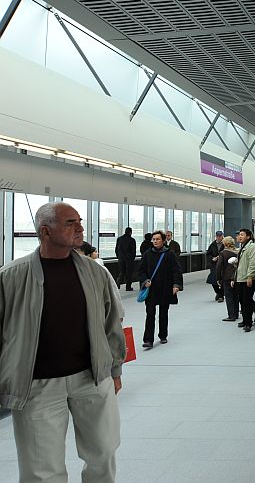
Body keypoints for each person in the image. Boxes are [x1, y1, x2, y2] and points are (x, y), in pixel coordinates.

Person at [0, 202, 125, 482]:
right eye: (70, 223)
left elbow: (111, 323)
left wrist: (115, 369)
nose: (80, 228)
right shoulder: (11, 277)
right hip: (37, 385)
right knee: (41, 469)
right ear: (45, 231)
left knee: (104, 453)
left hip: (92, 378)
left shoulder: (94, 272)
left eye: (79, 221)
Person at [138, 230, 183, 347]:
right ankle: (148, 340)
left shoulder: (169, 254)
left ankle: (163, 335)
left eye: (157, 239)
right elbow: (141, 271)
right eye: (153, 239)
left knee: (163, 313)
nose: (155, 241)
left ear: (163, 240)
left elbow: (176, 270)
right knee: (150, 314)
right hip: (151, 289)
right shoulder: (147, 254)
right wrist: (145, 281)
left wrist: (176, 285)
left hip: (165, 288)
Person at [235, 228, 255, 332]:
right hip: (241, 277)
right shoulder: (243, 247)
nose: (239, 236)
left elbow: (253, 263)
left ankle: (248, 323)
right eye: (239, 235)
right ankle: (246, 319)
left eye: (242, 235)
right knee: (242, 299)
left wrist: (250, 276)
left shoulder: (252, 247)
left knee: (246, 300)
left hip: (249, 278)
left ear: (248, 236)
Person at [216, 236, 240, 322]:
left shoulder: (223, 253)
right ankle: (236, 313)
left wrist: (218, 278)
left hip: (227, 277)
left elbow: (219, 266)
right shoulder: (238, 252)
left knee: (229, 296)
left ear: (225, 244)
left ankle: (231, 315)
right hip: (237, 276)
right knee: (235, 295)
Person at [115, 226, 136, 291]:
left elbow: (116, 249)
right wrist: (132, 258)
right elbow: (133, 250)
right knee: (128, 273)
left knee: (121, 272)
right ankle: (128, 287)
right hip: (129, 259)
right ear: (130, 232)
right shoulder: (132, 240)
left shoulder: (119, 239)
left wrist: (119, 257)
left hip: (121, 258)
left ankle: (117, 284)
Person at [206, 231, 225, 302]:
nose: (219, 238)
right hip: (214, 265)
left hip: (223, 265)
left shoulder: (225, 244)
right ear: (216, 237)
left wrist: (221, 257)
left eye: (220, 236)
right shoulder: (212, 245)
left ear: (222, 236)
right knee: (213, 280)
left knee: (223, 280)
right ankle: (218, 292)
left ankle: (221, 296)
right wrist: (212, 258)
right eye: (217, 236)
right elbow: (208, 254)